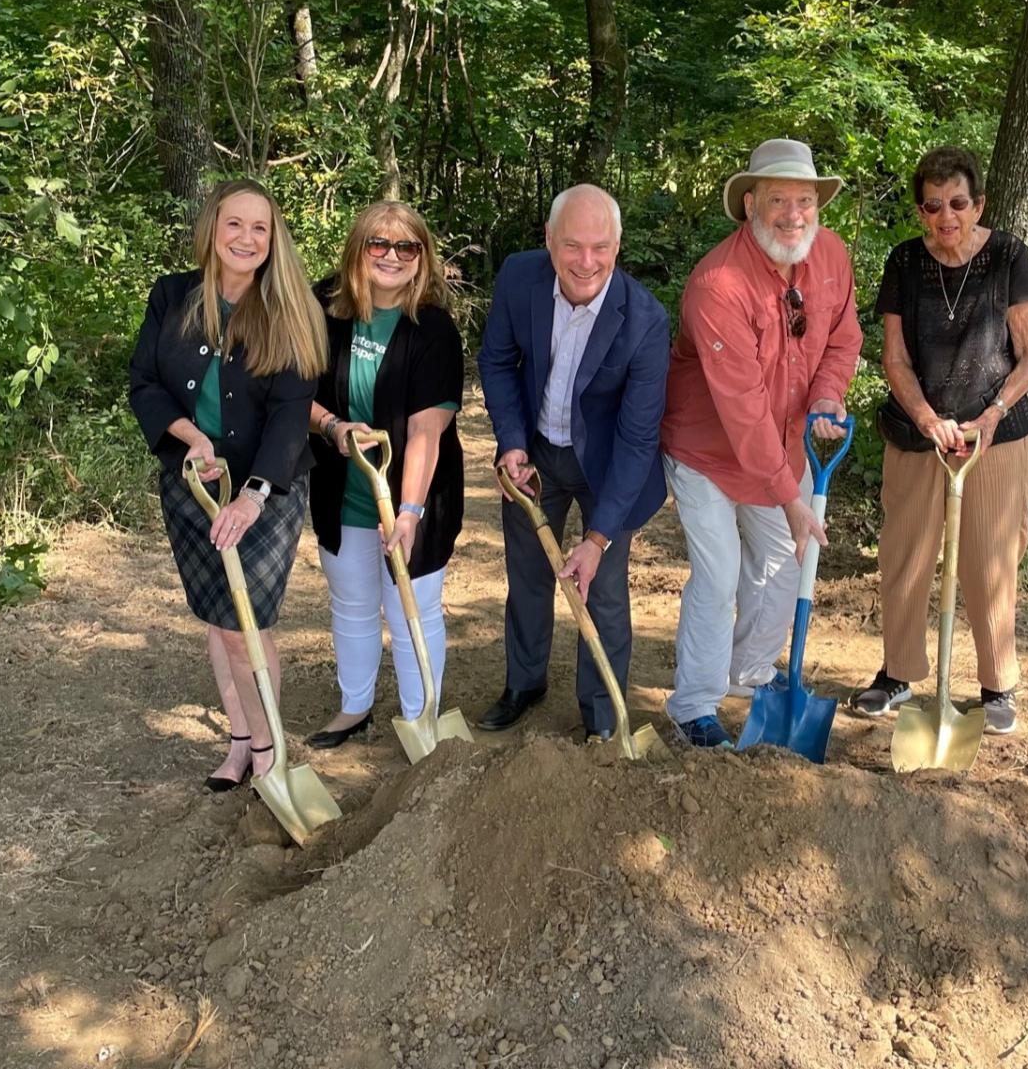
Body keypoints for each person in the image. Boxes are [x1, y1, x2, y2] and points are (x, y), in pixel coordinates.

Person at [661, 139, 862, 748]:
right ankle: (693, 705)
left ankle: (747, 671)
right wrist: (792, 498)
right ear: (751, 203)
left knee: (783, 566)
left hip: (782, 447)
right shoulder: (718, 284)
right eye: (778, 199)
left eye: (805, 199)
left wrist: (828, 396)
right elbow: (742, 411)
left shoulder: (829, 256)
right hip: (707, 452)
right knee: (719, 577)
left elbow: (842, 340)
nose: (793, 214)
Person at [129, 179, 327, 789]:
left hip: (267, 491)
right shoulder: (172, 297)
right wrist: (194, 442)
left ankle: (271, 757)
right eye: (234, 224)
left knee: (248, 626)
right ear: (213, 229)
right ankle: (241, 743)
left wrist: (253, 493)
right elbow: (144, 383)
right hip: (194, 484)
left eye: (260, 228)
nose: (246, 237)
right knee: (219, 621)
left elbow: (293, 413)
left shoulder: (290, 312)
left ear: (274, 240)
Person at [851, 145, 1028, 735]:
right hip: (918, 433)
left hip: (997, 433)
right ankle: (898, 673)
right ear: (920, 211)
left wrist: (989, 414)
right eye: (933, 206)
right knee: (904, 555)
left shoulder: (1009, 255)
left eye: (958, 203)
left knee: (990, 557)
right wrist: (927, 417)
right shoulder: (905, 262)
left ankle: (996, 686)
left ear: (978, 203)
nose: (946, 216)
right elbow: (895, 357)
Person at [476, 184, 669, 741]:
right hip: (535, 453)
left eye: (601, 247)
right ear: (549, 241)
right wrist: (512, 441)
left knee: (601, 588)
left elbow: (637, 441)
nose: (587, 262)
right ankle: (524, 683)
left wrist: (599, 537)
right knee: (528, 575)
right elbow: (496, 360)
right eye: (573, 246)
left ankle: (602, 713)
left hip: (608, 467)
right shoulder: (519, 277)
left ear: (618, 245)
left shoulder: (645, 322)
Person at [304, 202, 464, 749]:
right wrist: (332, 427)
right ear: (358, 249)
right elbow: (291, 390)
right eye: (378, 244)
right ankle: (355, 707)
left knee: (411, 605)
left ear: (422, 258)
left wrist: (411, 513)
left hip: (415, 496)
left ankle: (423, 719)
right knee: (351, 601)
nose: (391, 256)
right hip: (341, 489)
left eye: (406, 247)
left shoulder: (433, 329)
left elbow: (425, 431)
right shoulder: (324, 308)